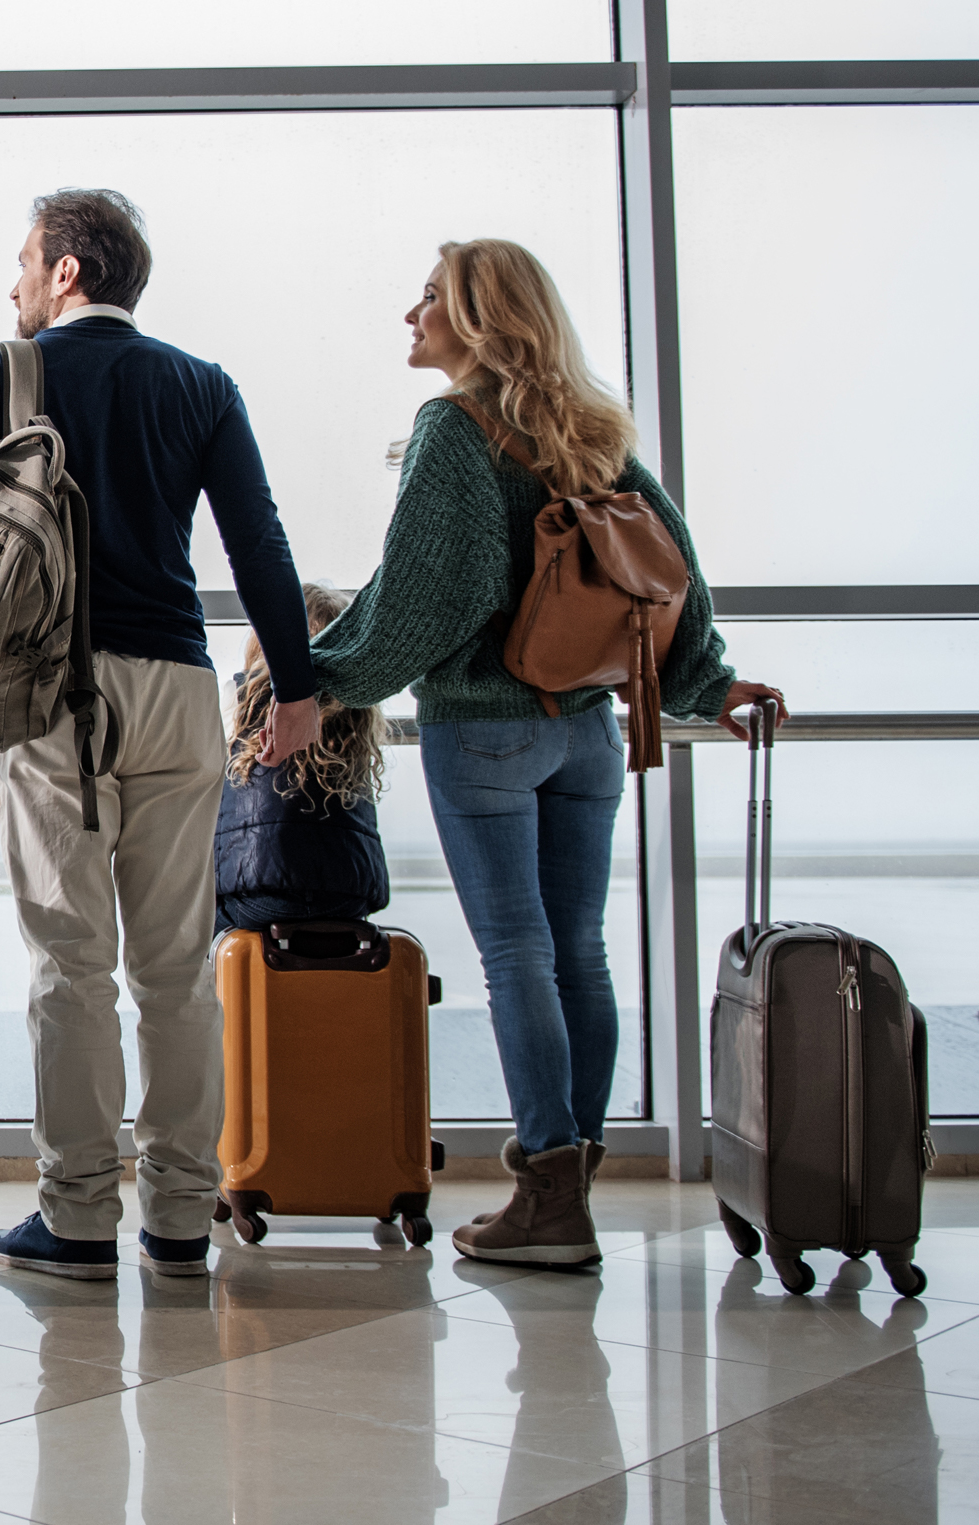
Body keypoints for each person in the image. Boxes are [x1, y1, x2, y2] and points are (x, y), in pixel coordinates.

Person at [0, 189, 320, 1279]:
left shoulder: (5, 372)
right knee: (180, 969)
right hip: (181, 692)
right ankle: (182, 1216)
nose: (15, 286)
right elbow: (258, 541)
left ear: (70, 272)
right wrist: (301, 689)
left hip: (58, 698)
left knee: (70, 966)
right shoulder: (205, 387)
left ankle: (81, 1217)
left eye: (26, 264)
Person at [311, 238, 788, 1267]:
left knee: (519, 954)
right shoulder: (590, 427)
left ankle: (550, 1199)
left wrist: (321, 680)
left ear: (477, 319)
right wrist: (707, 682)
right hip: (589, 728)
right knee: (579, 950)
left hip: (485, 725)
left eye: (429, 296)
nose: (411, 314)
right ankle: (570, 1183)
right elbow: (670, 573)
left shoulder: (455, 426)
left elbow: (432, 597)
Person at [214, 583, 390, 937]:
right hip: (349, 896)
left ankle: (217, 992)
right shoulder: (358, 713)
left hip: (258, 898)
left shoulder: (248, 697)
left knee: (202, 918)